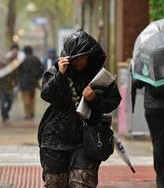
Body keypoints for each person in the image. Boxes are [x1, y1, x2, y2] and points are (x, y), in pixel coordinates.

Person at [38, 31, 121, 188]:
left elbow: (113, 101)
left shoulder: (99, 75)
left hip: (87, 137)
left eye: (82, 57)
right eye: (75, 59)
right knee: (55, 183)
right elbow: (46, 94)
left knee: (82, 182)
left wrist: (94, 99)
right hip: (56, 137)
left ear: (90, 55)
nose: (79, 62)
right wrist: (60, 76)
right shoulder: (56, 72)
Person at [132, 79, 164, 188]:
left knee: (158, 143)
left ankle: (161, 178)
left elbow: (137, 83)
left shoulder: (147, 62)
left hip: (153, 107)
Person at [18, 45, 43, 120]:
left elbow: (18, 71)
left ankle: (27, 114)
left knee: (26, 98)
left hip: (24, 83)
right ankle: (32, 112)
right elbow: (41, 70)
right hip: (33, 83)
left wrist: (19, 79)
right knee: (32, 98)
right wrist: (37, 78)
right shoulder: (36, 59)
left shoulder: (21, 60)